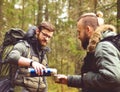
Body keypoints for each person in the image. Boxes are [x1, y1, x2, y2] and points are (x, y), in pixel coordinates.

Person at [55, 13, 120, 92]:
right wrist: (69, 80)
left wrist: (86, 77)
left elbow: (112, 78)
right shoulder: (107, 43)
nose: (78, 36)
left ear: (88, 30)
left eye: (79, 32)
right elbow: (96, 80)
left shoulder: (104, 47)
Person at [5, 21, 55, 92]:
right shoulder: (24, 46)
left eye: (49, 37)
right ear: (37, 31)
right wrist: (32, 63)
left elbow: (43, 79)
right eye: (44, 35)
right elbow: (12, 56)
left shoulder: (43, 54)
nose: (46, 39)